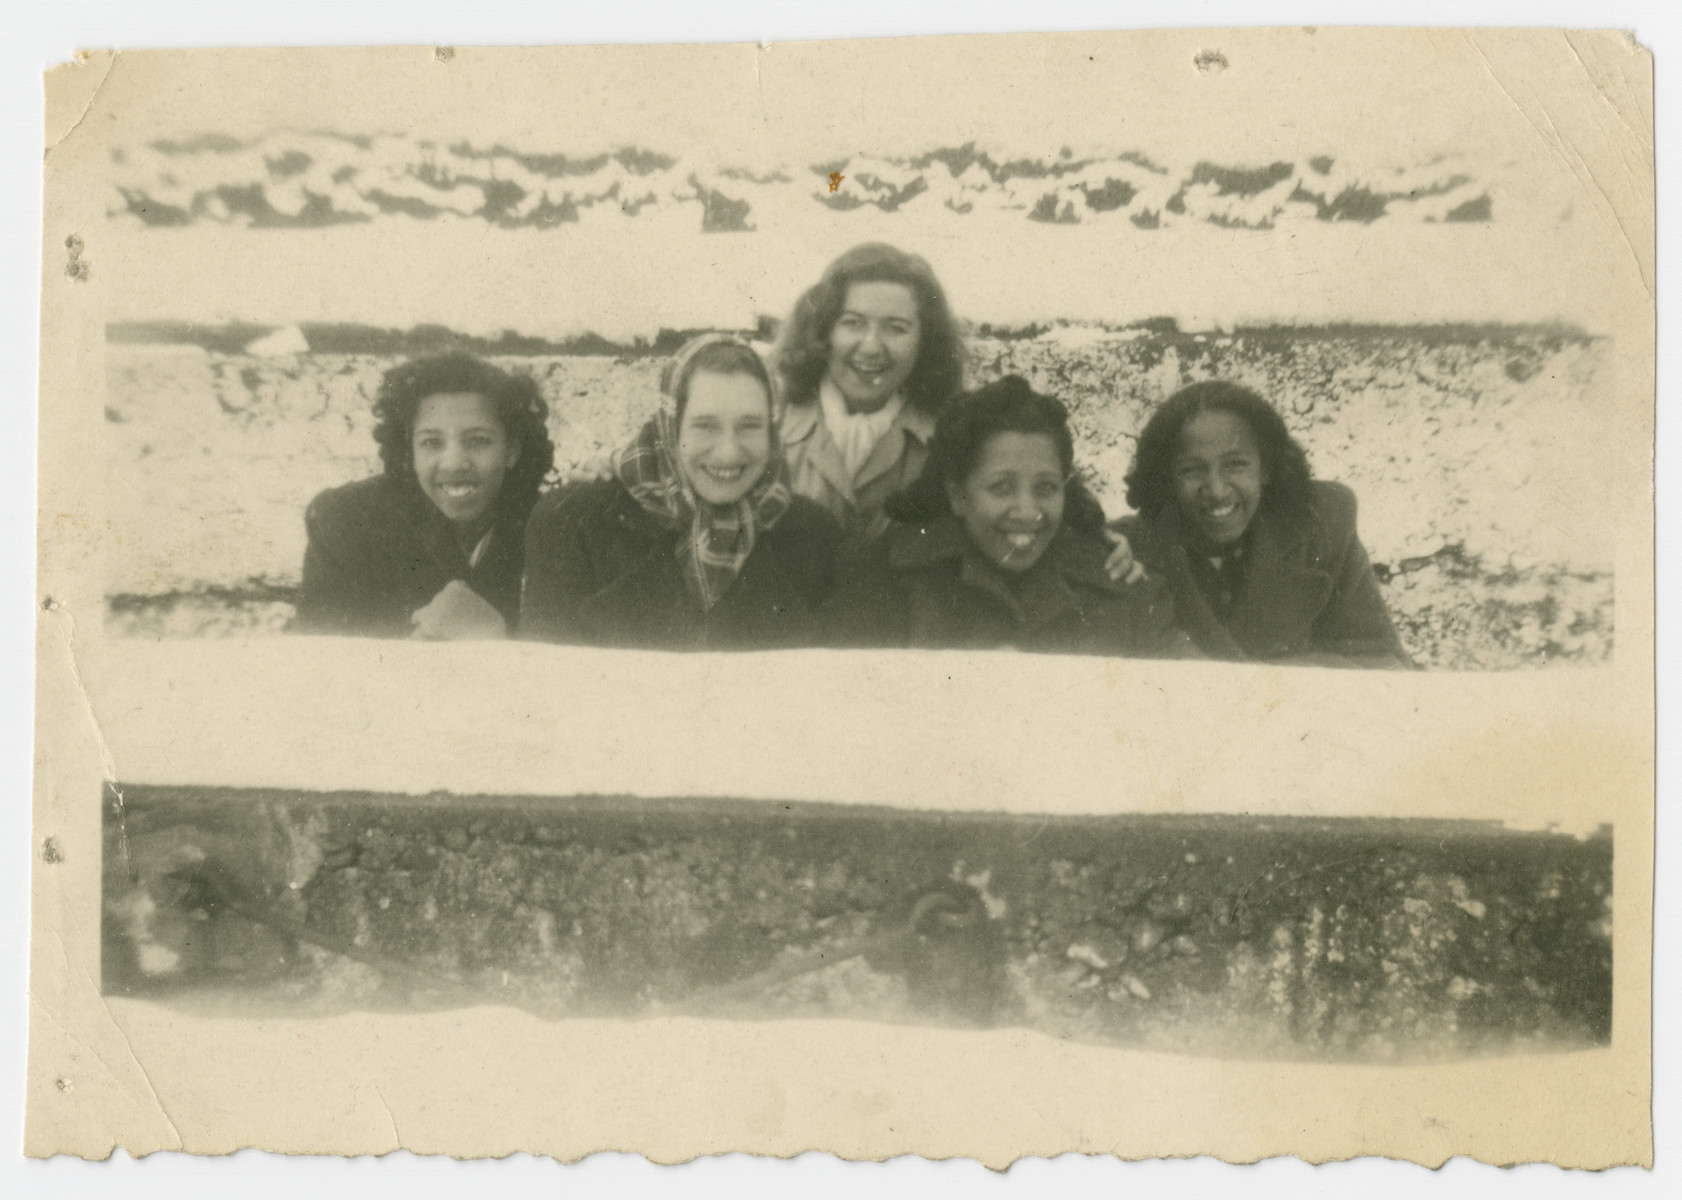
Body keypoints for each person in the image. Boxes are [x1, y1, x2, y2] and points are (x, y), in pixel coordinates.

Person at [827, 376, 1192, 658]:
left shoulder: (1122, 589)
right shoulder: (883, 584)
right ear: (958, 495)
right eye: (1001, 487)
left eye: (1046, 488)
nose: (1027, 511)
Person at [520, 334, 841, 650]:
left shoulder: (819, 538)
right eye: (705, 426)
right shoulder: (573, 524)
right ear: (670, 428)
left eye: (750, 426)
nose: (728, 452)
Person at [1114, 380, 1412, 668]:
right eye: (1191, 470)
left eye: (1235, 465)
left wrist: (1264, 684)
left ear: (1266, 468)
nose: (1216, 490)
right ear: (1166, 480)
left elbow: (1384, 664)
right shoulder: (1130, 551)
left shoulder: (1323, 524)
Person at [296, 352, 555, 639]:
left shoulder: (551, 529)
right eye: (432, 442)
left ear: (512, 450)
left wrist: (494, 641)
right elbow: (323, 665)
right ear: (410, 451)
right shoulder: (347, 520)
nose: (454, 463)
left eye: (479, 441)